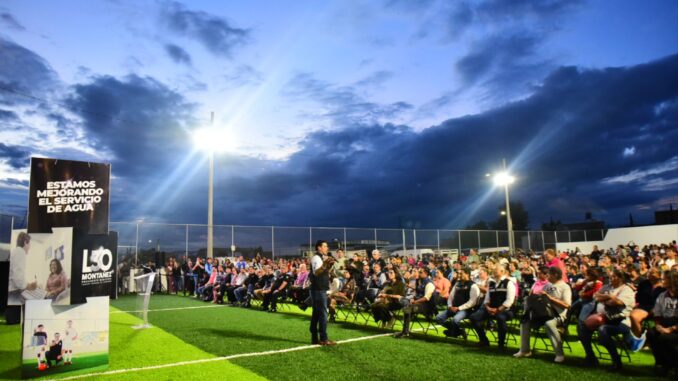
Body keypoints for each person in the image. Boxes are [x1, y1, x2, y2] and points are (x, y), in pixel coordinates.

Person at [578, 268, 635, 371]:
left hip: (620, 321)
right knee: (582, 327)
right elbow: (596, 296)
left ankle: (617, 362)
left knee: (603, 330)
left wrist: (606, 297)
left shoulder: (626, 289)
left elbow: (617, 303)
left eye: (613, 277)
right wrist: (609, 296)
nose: (611, 279)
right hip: (603, 317)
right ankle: (591, 357)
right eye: (610, 276)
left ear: (621, 278)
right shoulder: (607, 286)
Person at [514, 267, 571, 363]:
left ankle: (559, 354)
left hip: (558, 316)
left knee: (549, 323)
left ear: (555, 275)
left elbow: (567, 305)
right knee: (525, 321)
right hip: (543, 313)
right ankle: (524, 350)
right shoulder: (547, 286)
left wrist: (549, 298)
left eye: (549, 275)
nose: (547, 277)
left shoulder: (565, 287)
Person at [469, 265, 517, 349]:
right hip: (491, 309)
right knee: (473, 317)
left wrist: (498, 309)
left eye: (496, 270)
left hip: (506, 310)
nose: (493, 272)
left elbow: (509, 301)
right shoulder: (491, 283)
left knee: (500, 317)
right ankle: (484, 340)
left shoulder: (509, 283)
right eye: (493, 270)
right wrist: (488, 307)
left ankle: (501, 343)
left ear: (502, 272)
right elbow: (487, 299)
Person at [646, 269, 678, 376]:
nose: (662, 280)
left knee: (665, 338)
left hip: (676, 327)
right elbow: (657, 314)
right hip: (665, 324)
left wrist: (671, 329)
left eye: (665, 279)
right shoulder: (662, 295)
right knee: (651, 333)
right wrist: (658, 326)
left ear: (673, 280)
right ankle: (662, 363)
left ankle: (674, 364)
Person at [437, 267, 480, 338]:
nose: (459, 275)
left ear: (467, 274)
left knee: (455, 320)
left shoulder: (473, 285)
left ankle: (453, 332)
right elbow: (451, 296)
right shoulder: (457, 284)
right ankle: (458, 331)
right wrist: (450, 306)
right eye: (459, 273)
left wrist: (459, 308)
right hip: (453, 308)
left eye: (461, 273)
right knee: (439, 318)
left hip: (465, 310)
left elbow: (472, 302)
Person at [394, 267, 436, 339]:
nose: (418, 274)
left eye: (420, 272)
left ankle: (405, 332)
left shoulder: (429, 283)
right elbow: (417, 293)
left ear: (426, 273)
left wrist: (415, 301)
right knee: (404, 301)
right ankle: (405, 332)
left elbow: (426, 298)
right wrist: (413, 299)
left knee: (408, 308)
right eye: (419, 272)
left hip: (427, 306)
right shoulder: (420, 281)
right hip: (417, 303)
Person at [309, 240, 336, 346]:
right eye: (325, 246)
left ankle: (314, 338)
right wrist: (325, 264)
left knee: (316, 314)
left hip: (319, 288)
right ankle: (324, 339)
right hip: (318, 289)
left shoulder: (321, 258)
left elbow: (323, 272)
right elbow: (316, 273)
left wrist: (329, 266)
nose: (327, 248)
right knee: (323, 314)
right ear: (319, 248)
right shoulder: (316, 258)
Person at [8, 232, 37, 304]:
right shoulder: (20, 251)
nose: (30, 247)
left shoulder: (15, 251)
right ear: (25, 242)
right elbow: (18, 279)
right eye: (29, 244)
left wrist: (27, 284)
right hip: (13, 293)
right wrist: (29, 286)